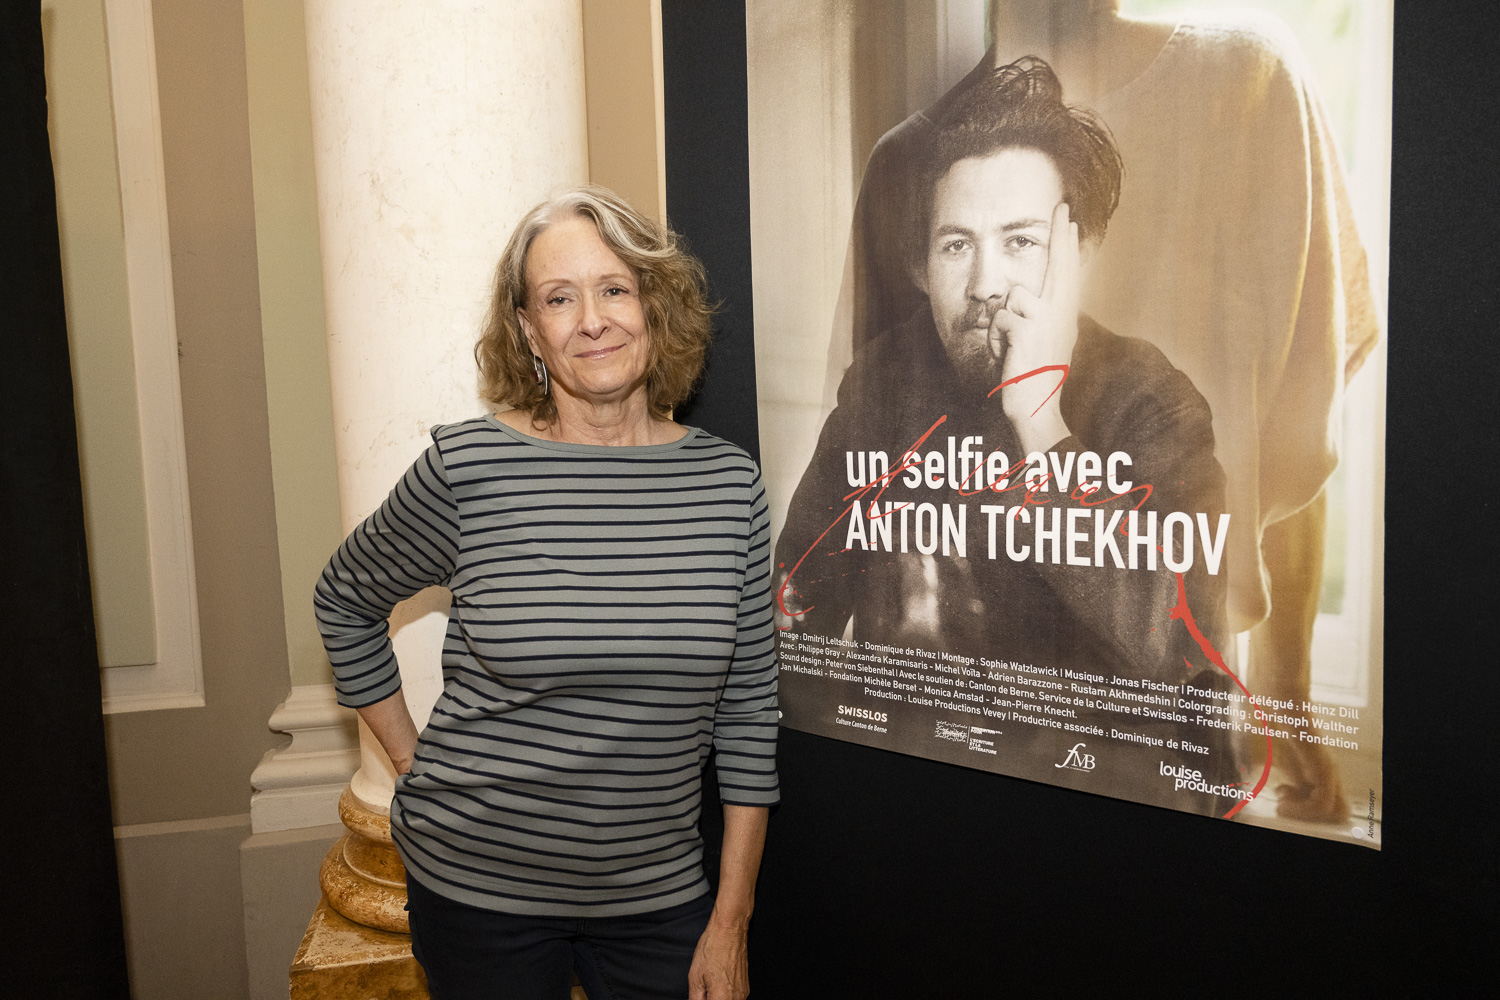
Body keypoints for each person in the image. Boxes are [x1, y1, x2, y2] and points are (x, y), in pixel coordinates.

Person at [839, 2, 1381, 822]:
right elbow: (862, 482)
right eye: (957, 246)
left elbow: (1288, 441)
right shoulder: (904, 162)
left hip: (1151, 745)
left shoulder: (1253, 84)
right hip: (950, 736)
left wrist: (1288, 696)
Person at [315, 186, 779, 1000]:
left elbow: (746, 710)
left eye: (614, 289)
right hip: (476, 893)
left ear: (654, 306)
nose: (591, 320)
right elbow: (344, 597)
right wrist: (409, 764)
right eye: (559, 299)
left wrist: (731, 919)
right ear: (530, 329)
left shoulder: (727, 483)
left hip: (660, 897)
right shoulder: (469, 470)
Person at [776, 58, 1239, 813]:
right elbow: (796, 605)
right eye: (957, 244)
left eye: (1020, 241)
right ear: (922, 265)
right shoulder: (883, 384)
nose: (986, 281)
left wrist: (1039, 420)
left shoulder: (1151, 401)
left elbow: (1180, 647)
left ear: (1077, 252)